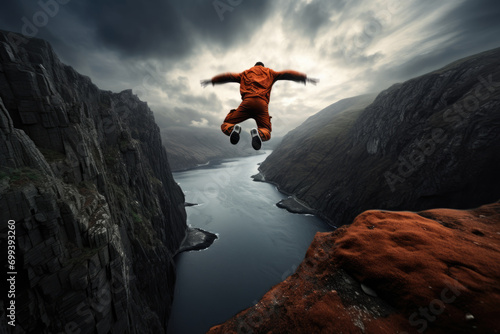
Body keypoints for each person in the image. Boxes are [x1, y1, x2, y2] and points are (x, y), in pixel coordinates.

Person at [201, 62, 318, 150]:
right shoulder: (270, 73)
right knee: (266, 130)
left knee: (227, 122)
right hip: (262, 105)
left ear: (254, 66)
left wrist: (213, 81)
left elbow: (228, 76)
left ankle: (232, 129)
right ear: (263, 66)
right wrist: (304, 78)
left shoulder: (245, 73)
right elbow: (287, 74)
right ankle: (258, 133)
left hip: (247, 103)